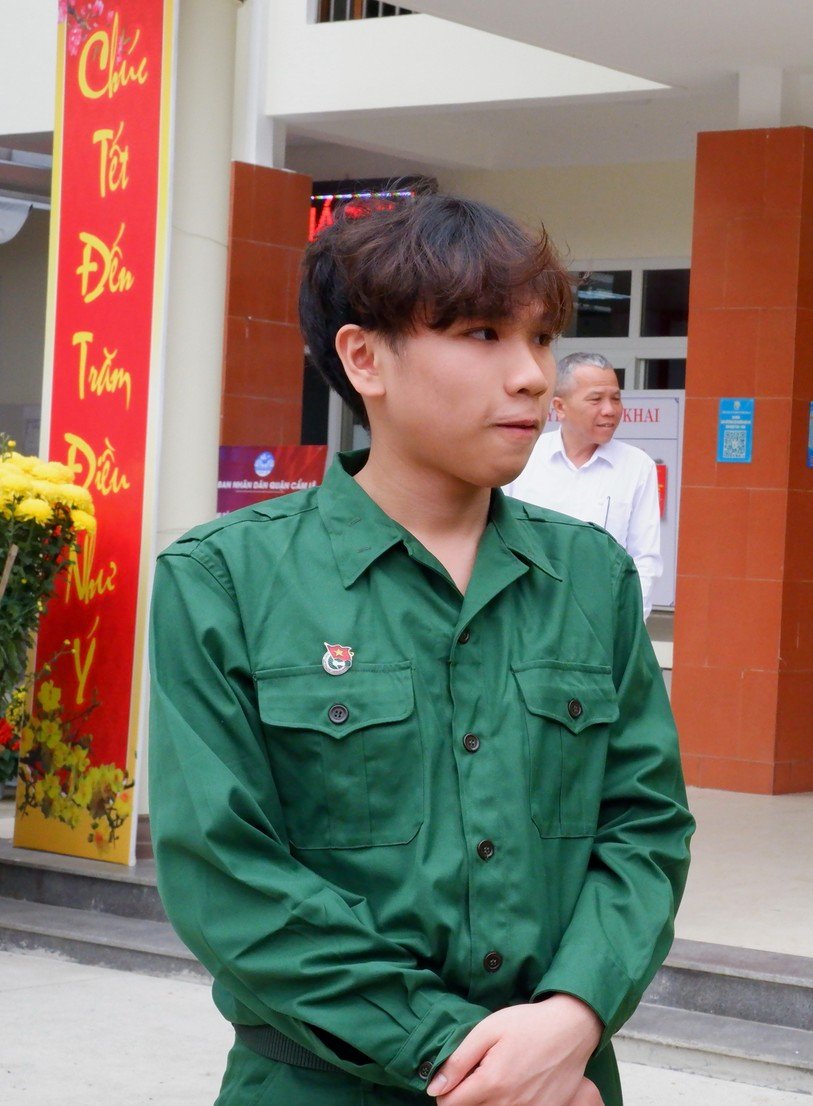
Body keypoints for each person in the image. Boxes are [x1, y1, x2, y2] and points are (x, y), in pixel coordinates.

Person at [148, 194, 694, 1106]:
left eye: (540, 338)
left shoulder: (590, 579)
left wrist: (574, 1013)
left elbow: (645, 827)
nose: (530, 376)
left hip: (562, 1081)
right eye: (482, 334)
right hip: (323, 1083)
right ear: (365, 358)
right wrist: (458, 1055)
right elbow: (225, 874)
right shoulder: (225, 582)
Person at [506, 352, 664, 615]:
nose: (610, 410)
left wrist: (631, 622)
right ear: (560, 407)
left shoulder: (637, 466)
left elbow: (644, 559)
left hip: (600, 618)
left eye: (616, 398)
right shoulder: (525, 456)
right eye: (596, 399)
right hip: (527, 614)